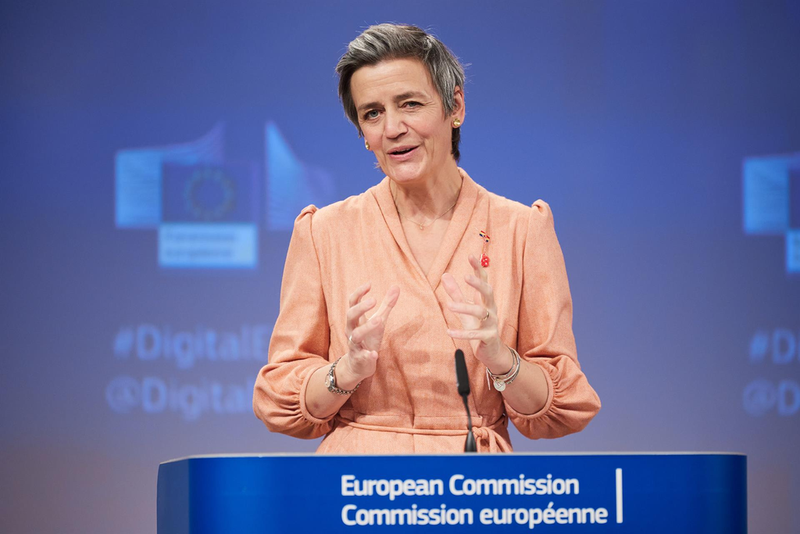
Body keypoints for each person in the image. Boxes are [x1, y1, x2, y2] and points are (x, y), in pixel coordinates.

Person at [253, 23, 600, 453]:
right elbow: (278, 398)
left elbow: (560, 408)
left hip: (474, 486)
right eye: (372, 113)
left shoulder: (522, 230)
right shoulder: (324, 232)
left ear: (454, 107)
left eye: (410, 104)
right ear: (363, 135)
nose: (393, 128)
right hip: (356, 487)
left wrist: (500, 359)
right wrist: (347, 370)